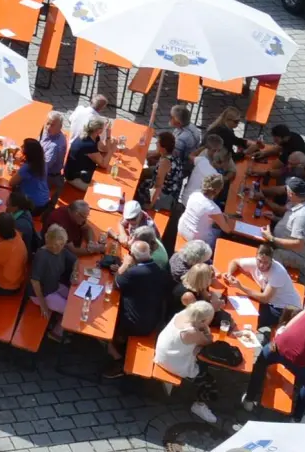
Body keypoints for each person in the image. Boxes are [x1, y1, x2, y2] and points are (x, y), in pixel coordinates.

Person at [105, 240, 171, 374]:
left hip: (134, 324)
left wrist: (125, 264)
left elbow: (116, 283)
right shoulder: (159, 270)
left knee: (108, 324)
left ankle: (118, 358)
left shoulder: (134, 273)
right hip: (153, 320)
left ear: (133, 256)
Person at [153, 301, 220, 423]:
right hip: (172, 362)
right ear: (204, 321)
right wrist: (206, 329)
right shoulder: (192, 332)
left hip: (163, 353)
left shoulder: (183, 314)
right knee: (209, 379)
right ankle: (199, 406)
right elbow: (208, 341)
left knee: (199, 352)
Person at [226, 243, 304, 331]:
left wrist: (240, 287)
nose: (262, 265)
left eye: (266, 262)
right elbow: (235, 262)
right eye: (259, 261)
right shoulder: (255, 262)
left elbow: (265, 298)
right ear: (256, 257)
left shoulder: (278, 273)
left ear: (272, 260)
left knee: (250, 318)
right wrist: (229, 275)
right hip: (271, 301)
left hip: (284, 309)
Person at [29, 224, 78, 340]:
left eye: (61, 244)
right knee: (71, 311)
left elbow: (75, 260)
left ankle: (59, 316)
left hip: (55, 286)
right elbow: (34, 281)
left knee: (75, 300)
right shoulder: (42, 256)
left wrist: (74, 273)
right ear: (48, 240)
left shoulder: (61, 250)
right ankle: (56, 333)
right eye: (55, 244)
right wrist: (43, 305)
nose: (58, 247)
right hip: (43, 293)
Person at [263, 177, 305, 272]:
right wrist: (274, 218)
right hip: (290, 246)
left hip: (297, 255)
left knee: (273, 255)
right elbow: (291, 224)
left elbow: (298, 244)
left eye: (287, 190)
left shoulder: (302, 216)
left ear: (291, 194)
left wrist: (271, 238)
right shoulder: (303, 202)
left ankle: (273, 282)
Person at [178, 173, 235, 247]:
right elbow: (227, 230)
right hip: (196, 240)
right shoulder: (213, 208)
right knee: (221, 233)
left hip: (182, 228)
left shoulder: (194, 194)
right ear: (218, 190)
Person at [64, 117, 110, 188]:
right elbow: (104, 164)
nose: (105, 130)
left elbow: (105, 149)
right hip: (75, 178)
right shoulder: (89, 145)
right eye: (104, 128)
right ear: (99, 130)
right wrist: (112, 149)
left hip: (83, 172)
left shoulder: (93, 136)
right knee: (105, 186)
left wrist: (108, 135)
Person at [38, 111, 69, 196]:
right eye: (47, 123)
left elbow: (42, 166)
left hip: (48, 177)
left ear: (60, 127)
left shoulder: (54, 146)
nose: (48, 127)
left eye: (52, 125)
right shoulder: (48, 132)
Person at [16, 139, 52, 212]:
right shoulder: (43, 163)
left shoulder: (27, 167)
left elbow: (11, 182)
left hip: (33, 205)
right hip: (44, 201)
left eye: (24, 147)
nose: (21, 147)